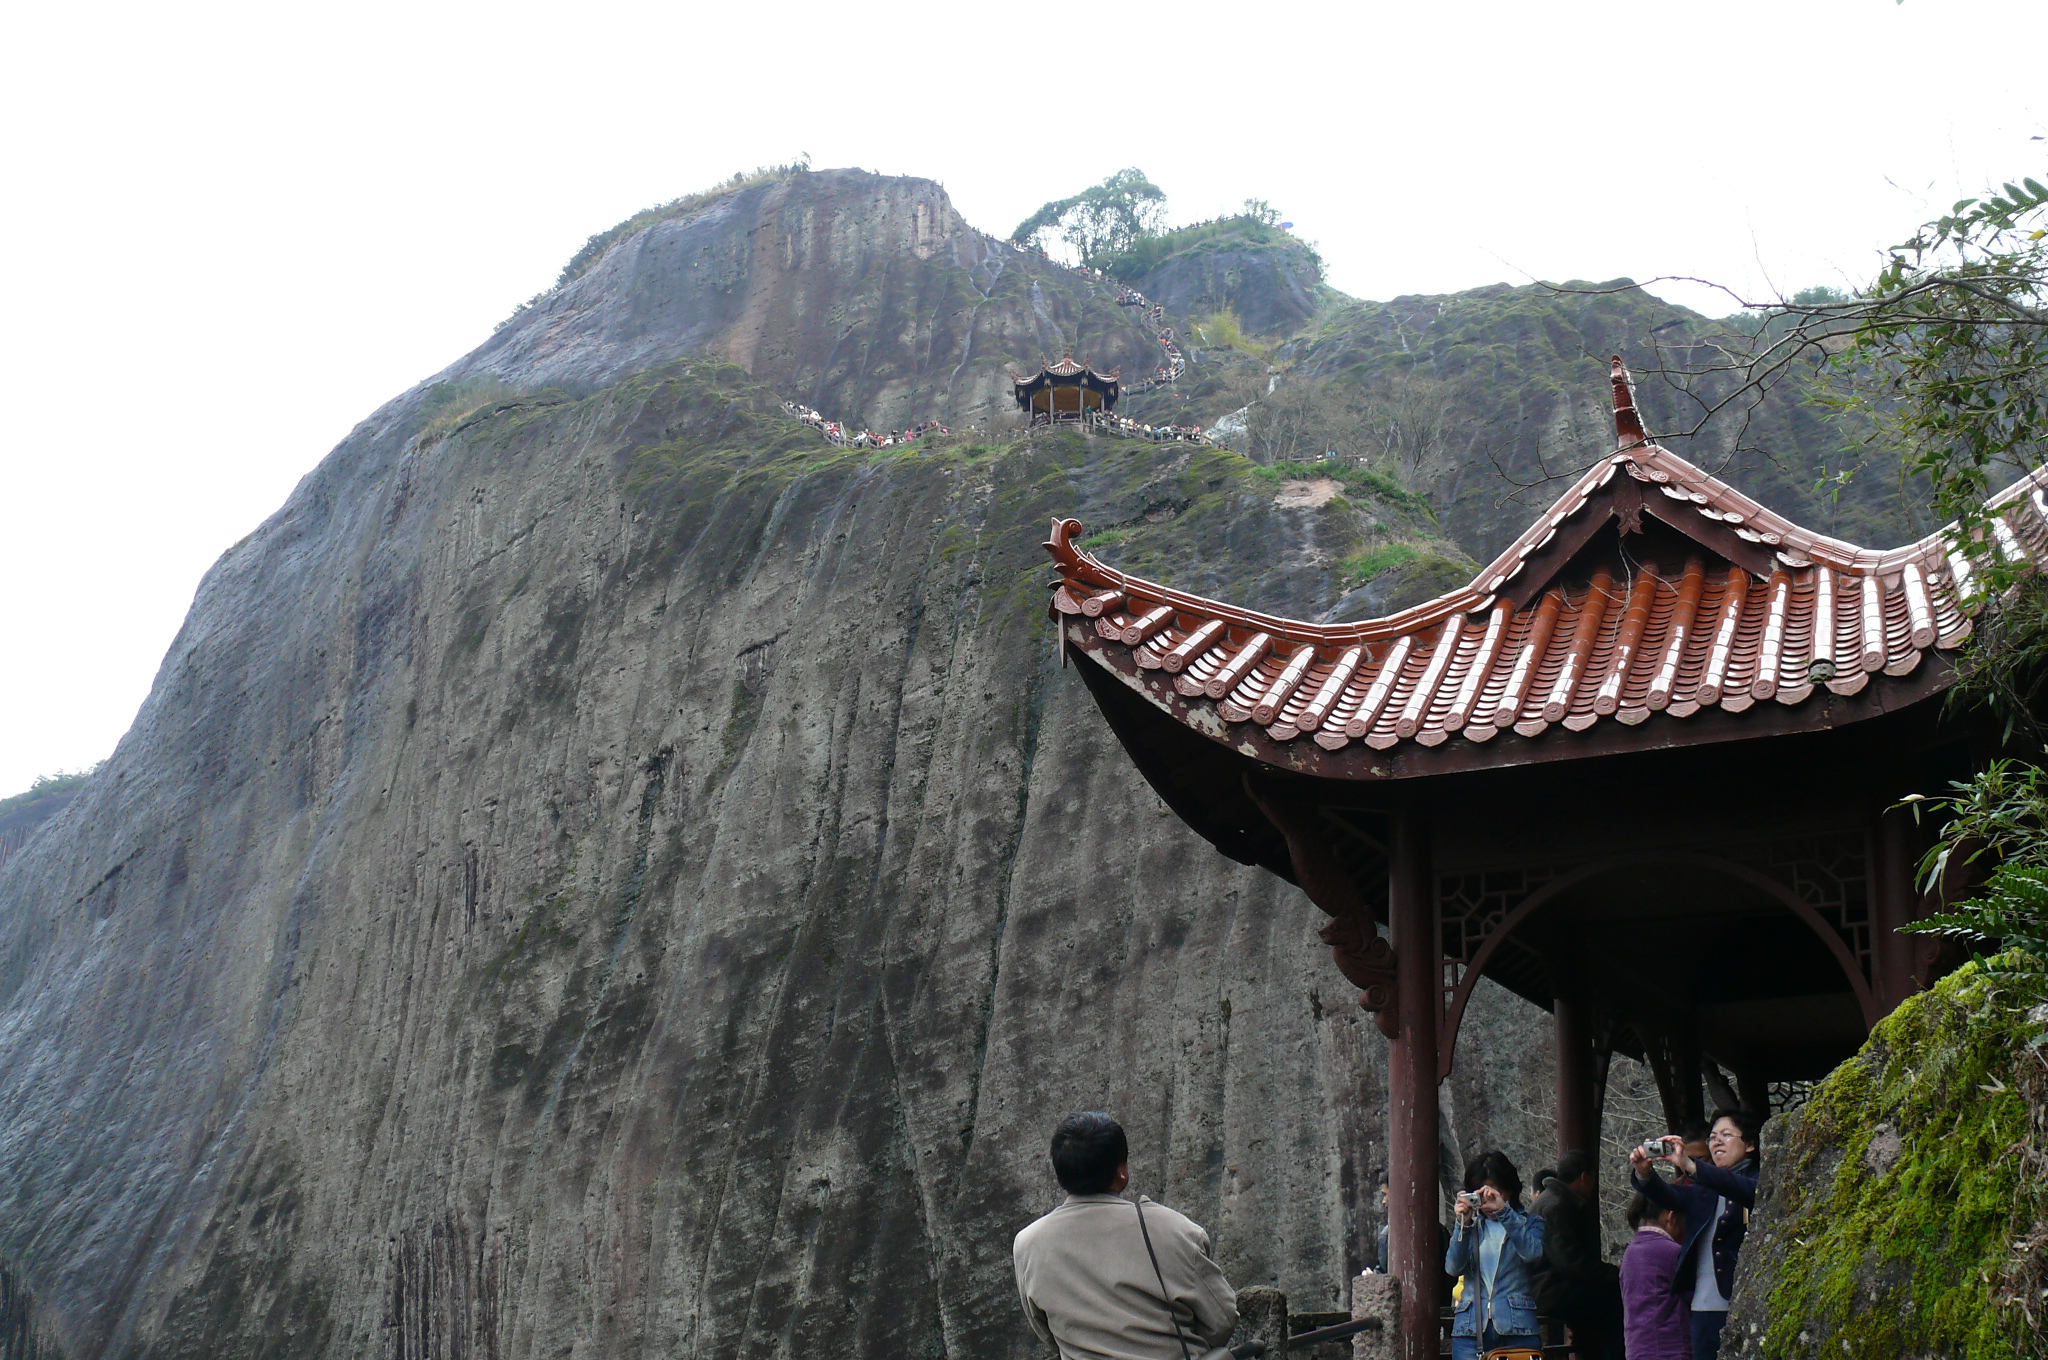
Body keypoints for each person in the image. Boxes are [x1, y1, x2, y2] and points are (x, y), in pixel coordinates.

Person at [1014, 1112, 1238, 1360]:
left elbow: (1048, 1334)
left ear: (1060, 1175)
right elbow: (1223, 1319)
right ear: (1122, 1172)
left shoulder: (1027, 1244)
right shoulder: (1173, 1229)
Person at [1630, 1109, 1762, 1360]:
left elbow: (1747, 1191)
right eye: (1712, 1137)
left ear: (1750, 1145)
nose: (1717, 1142)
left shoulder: (1761, 1180)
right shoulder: (1703, 1187)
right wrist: (1645, 1173)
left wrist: (1690, 1166)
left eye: (1726, 1134)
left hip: (1743, 1301)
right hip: (1703, 1305)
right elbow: (1669, 1196)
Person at [1445, 1150, 1545, 1360]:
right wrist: (1463, 1224)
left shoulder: (1530, 1223)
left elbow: (1533, 1254)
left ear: (1510, 1189)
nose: (1488, 1199)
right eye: (1480, 1194)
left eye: (1495, 1192)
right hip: (1470, 1330)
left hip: (1517, 1329)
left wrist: (1504, 1212)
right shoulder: (1472, 1225)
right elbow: (1453, 1267)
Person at [1531, 1150, 1623, 1359]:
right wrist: (1612, 1273)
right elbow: (1569, 1262)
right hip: (1550, 1290)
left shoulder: (1550, 1200)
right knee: (1616, 1299)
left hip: (1547, 1286)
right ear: (1584, 1177)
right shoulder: (1557, 1206)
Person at [1621, 1191, 1691, 1359]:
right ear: (1670, 1217)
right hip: (1671, 1350)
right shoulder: (1673, 1252)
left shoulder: (1630, 1253)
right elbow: (1692, 1296)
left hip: (1637, 1349)